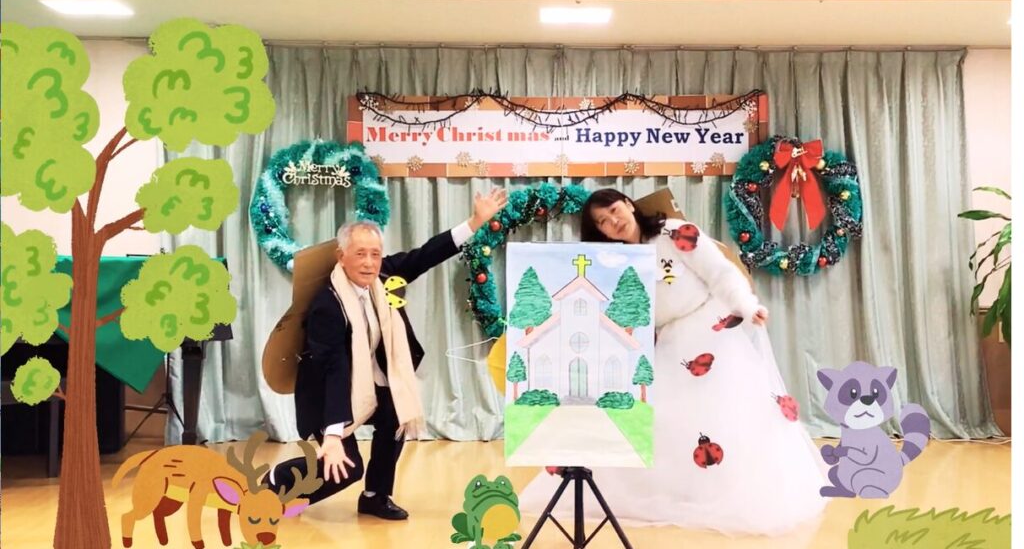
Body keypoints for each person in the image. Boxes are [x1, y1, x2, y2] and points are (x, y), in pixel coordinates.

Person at [517, 188, 828, 536]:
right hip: (666, 344)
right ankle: (677, 492)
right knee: (663, 420)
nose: (613, 222)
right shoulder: (614, 263)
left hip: (711, 332)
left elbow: (720, 273)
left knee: (724, 414)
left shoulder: (675, 233)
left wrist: (745, 304)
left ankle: (727, 492)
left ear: (628, 205)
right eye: (602, 222)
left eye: (614, 210)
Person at [264, 188, 508, 520]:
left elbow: (426, 255)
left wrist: (475, 221)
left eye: (375, 254)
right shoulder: (327, 306)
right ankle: (275, 485)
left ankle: (375, 496)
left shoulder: (383, 277)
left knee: (396, 414)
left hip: (370, 383)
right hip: (327, 395)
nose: (368, 262)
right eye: (360, 254)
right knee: (345, 467)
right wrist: (333, 435)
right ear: (341, 256)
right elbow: (333, 369)